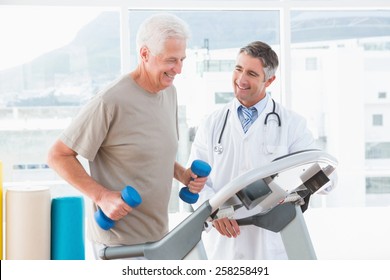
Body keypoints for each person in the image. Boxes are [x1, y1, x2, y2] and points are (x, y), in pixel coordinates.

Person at [47, 13, 207, 259]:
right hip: (120, 246)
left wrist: (182, 174)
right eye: (171, 60)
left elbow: (151, 152)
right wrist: (101, 196)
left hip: (158, 237)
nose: (179, 69)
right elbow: (58, 155)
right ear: (144, 54)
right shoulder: (110, 100)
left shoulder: (169, 93)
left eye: (182, 59)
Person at [188, 41, 335, 260]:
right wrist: (214, 211)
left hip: (270, 240)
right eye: (238, 69)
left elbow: (324, 175)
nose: (241, 80)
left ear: (270, 80)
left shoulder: (292, 124)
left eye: (251, 73)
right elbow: (195, 182)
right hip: (225, 241)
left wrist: (304, 186)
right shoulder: (212, 123)